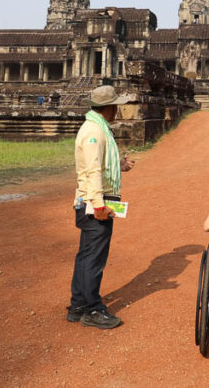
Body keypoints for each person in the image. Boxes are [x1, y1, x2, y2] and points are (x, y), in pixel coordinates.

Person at [66, 85, 135, 329]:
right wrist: (98, 204)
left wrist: (120, 165)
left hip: (90, 200)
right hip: (94, 203)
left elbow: (99, 165)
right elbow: (93, 170)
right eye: (115, 105)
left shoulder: (97, 128)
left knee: (86, 255)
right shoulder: (95, 131)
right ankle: (92, 309)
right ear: (108, 107)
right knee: (94, 258)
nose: (117, 110)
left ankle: (78, 305)